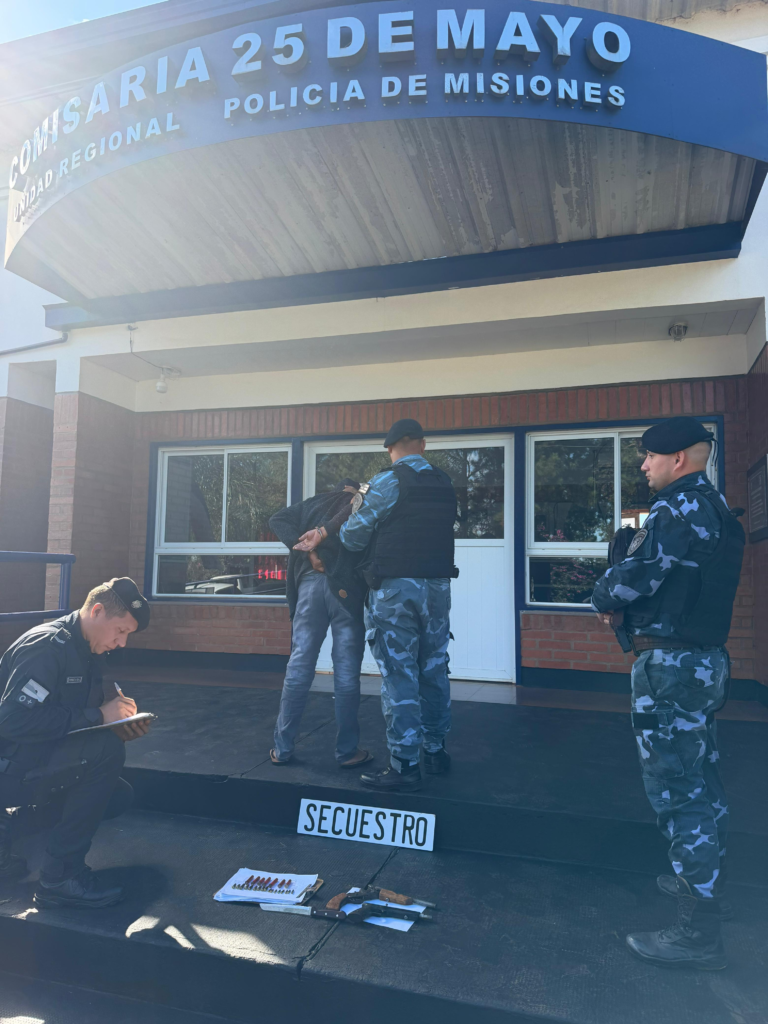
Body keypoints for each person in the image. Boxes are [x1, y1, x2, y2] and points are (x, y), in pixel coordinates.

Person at [591, 417, 744, 971]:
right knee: (701, 776)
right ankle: (708, 882)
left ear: (677, 458)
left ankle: (697, 932)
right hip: (704, 663)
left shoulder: (676, 509)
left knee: (677, 790)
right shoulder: (717, 510)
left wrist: (603, 594)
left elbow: (633, 577)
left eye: (650, 457)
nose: (643, 465)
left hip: (671, 669)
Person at [299, 419, 458, 792]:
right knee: (434, 669)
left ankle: (405, 765)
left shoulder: (387, 481)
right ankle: (435, 751)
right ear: (422, 444)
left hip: (396, 591)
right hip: (437, 588)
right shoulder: (444, 482)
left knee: (400, 675)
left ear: (390, 448)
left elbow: (353, 538)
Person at [0, 577, 151, 909]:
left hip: (31, 756)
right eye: (120, 630)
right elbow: (12, 721)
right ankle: (60, 877)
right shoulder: (47, 647)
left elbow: (71, 714)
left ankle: (9, 828)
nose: (122, 642)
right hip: (9, 764)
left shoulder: (85, 647)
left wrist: (115, 722)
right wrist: (98, 716)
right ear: (97, 611)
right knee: (106, 752)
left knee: (117, 795)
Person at [269, 479, 371, 768]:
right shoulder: (359, 502)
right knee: (346, 672)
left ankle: (282, 749)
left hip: (309, 589)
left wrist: (307, 551)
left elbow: (276, 519)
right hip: (346, 591)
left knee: (299, 665)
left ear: (335, 489)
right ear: (353, 490)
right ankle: (347, 752)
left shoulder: (312, 504)